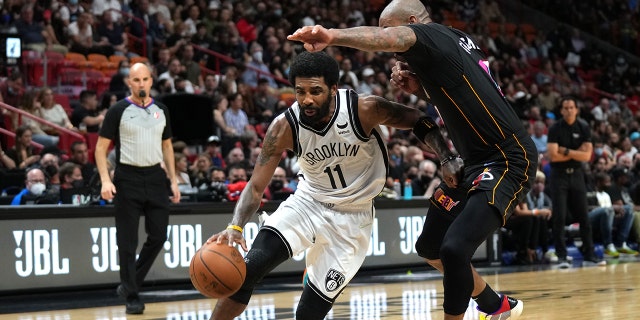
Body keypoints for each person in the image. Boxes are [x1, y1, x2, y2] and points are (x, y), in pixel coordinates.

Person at [288, 1, 537, 318]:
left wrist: (332, 35)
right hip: (472, 160)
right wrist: (421, 90)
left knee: (454, 249)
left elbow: (389, 40)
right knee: (430, 248)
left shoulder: (431, 34)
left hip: (506, 158)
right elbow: (460, 96)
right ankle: (495, 304)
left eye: (389, 29)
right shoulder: (450, 42)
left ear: (411, 22)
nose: (390, 43)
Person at [207, 51, 428, 320]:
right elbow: (255, 187)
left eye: (315, 91)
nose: (307, 99)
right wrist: (235, 225)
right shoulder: (284, 127)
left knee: (308, 314)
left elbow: (417, 119)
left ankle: (313, 274)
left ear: (333, 89)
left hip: (352, 217)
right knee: (248, 270)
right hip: (308, 202)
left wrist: (449, 156)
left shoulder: (364, 109)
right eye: (300, 91)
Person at [94, 62, 180, 315]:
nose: (141, 84)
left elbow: (167, 147)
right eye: (136, 80)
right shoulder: (118, 110)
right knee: (127, 242)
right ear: (129, 83)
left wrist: (173, 180)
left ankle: (129, 283)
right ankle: (132, 296)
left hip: (155, 177)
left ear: (151, 81)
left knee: (159, 236)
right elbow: (100, 149)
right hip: (127, 178)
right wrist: (105, 181)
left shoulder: (162, 109)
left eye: (145, 79)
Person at [547, 96, 604, 266]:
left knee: (584, 216)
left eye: (572, 107)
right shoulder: (555, 128)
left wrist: (564, 151)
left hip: (577, 174)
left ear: (576, 109)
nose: (569, 110)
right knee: (559, 216)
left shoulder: (584, 126)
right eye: (566, 107)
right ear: (562, 110)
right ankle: (562, 255)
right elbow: (553, 156)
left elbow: (587, 156)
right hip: (559, 175)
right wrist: (575, 153)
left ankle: (589, 254)